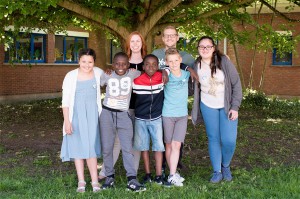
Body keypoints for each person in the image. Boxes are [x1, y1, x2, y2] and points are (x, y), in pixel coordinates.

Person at [191, 36, 242, 183]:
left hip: (227, 106)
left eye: (208, 46)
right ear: (198, 49)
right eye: (202, 47)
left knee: (229, 140)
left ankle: (225, 165)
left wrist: (235, 107)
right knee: (213, 138)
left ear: (214, 48)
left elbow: (236, 84)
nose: (205, 49)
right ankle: (217, 171)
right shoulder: (196, 65)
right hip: (207, 105)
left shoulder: (224, 61)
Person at [98, 31, 145, 180]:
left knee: (134, 141)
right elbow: (103, 80)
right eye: (132, 41)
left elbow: (154, 72)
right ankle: (106, 171)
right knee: (116, 141)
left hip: (140, 107)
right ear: (128, 44)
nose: (135, 44)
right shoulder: (120, 64)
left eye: (138, 41)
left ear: (142, 43)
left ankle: (133, 173)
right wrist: (108, 71)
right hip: (119, 109)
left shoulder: (146, 62)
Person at [152, 25, 197, 175]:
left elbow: (192, 72)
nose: (170, 38)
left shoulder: (187, 56)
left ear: (178, 37)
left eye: (173, 35)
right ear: (163, 38)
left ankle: (176, 163)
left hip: (178, 103)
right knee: (165, 136)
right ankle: (163, 165)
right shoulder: (155, 54)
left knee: (177, 138)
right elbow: (150, 69)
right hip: (160, 100)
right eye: (167, 35)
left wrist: (188, 69)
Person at [60, 48, 103, 193]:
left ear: (94, 62)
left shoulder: (98, 73)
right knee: (78, 148)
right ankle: (81, 181)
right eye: (84, 61)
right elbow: (65, 101)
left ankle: (95, 181)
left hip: (92, 116)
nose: (87, 65)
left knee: (91, 148)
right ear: (78, 61)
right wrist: (67, 121)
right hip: (76, 116)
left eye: (90, 62)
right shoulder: (70, 76)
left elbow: (112, 79)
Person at [132, 54, 170, 186]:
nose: (151, 67)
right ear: (143, 66)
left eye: (154, 64)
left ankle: (159, 175)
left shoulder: (162, 77)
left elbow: (175, 66)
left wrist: (164, 70)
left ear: (158, 66)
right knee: (143, 147)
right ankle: (148, 174)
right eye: (147, 64)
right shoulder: (136, 80)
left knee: (158, 147)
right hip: (140, 119)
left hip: (156, 118)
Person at [163, 48, 190, 187]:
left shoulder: (186, 74)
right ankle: (172, 173)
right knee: (168, 144)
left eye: (176, 60)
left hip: (182, 115)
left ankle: (172, 175)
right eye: (170, 61)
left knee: (177, 144)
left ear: (180, 60)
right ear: (166, 62)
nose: (173, 63)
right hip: (167, 114)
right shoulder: (165, 75)